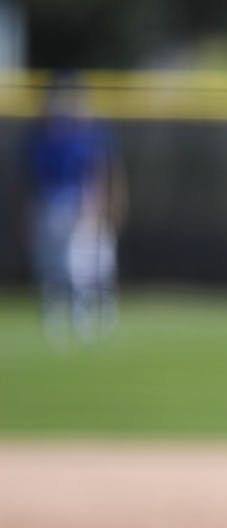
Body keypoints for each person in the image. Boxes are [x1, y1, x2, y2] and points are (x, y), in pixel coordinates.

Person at [23, 73, 127, 341]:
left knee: (87, 262)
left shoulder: (92, 133)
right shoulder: (43, 135)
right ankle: (55, 312)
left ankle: (88, 314)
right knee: (53, 262)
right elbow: (32, 180)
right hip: (52, 203)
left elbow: (102, 171)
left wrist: (106, 201)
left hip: (83, 203)